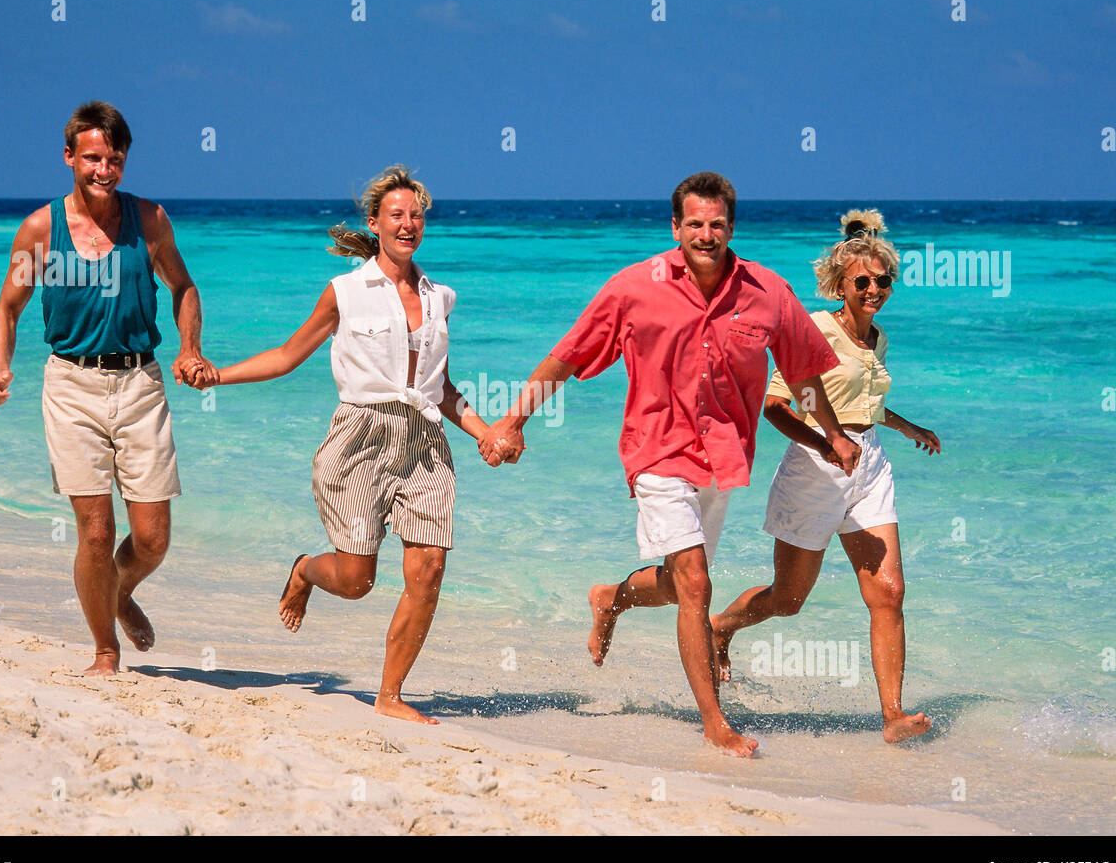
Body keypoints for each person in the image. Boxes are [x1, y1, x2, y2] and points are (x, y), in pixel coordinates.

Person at [482, 172, 860, 756]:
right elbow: (569, 355)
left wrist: (831, 433)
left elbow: (804, 371)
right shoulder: (636, 287)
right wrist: (514, 420)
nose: (706, 235)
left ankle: (610, 597)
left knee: (676, 584)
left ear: (731, 227)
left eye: (717, 224)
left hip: (724, 454)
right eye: (695, 224)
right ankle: (714, 722)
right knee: (696, 583)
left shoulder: (768, 291)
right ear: (675, 226)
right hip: (656, 450)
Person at [187, 166, 504, 724]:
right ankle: (307, 570)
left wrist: (485, 433)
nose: (408, 225)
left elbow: (441, 389)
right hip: (359, 438)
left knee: (428, 568)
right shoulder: (346, 292)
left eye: (416, 216)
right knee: (357, 581)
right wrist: (218, 376)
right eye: (397, 215)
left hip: (425, 445)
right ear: (375, 223)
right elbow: (288, 355)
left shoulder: (439, 297)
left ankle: (390, 695)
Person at [0, 100, 217, 675]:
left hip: (141, 381)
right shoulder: (42, 228)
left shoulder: (150, 221)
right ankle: (105, 650)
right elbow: (7, 310)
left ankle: (117, 592)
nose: (103, 170)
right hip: (71, 384)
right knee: (94, 530)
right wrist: (0, 367)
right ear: (69, 157)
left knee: (153, 537)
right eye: (91, 158)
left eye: (114, 159)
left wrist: (190, 348)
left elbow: (185, 288)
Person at [709, 210, 940, 743]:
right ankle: (720, 627)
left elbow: (865, 405)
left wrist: (908, 427)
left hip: (870, 465)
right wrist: (825, 443)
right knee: (788, 601)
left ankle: (892, 715)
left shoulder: (877, 338)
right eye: (864, 281)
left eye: (884, 280)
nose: (875, 289)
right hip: (814, 469)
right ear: (840, 285)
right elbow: (777, 406)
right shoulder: (813, 328)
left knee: (890, 591)